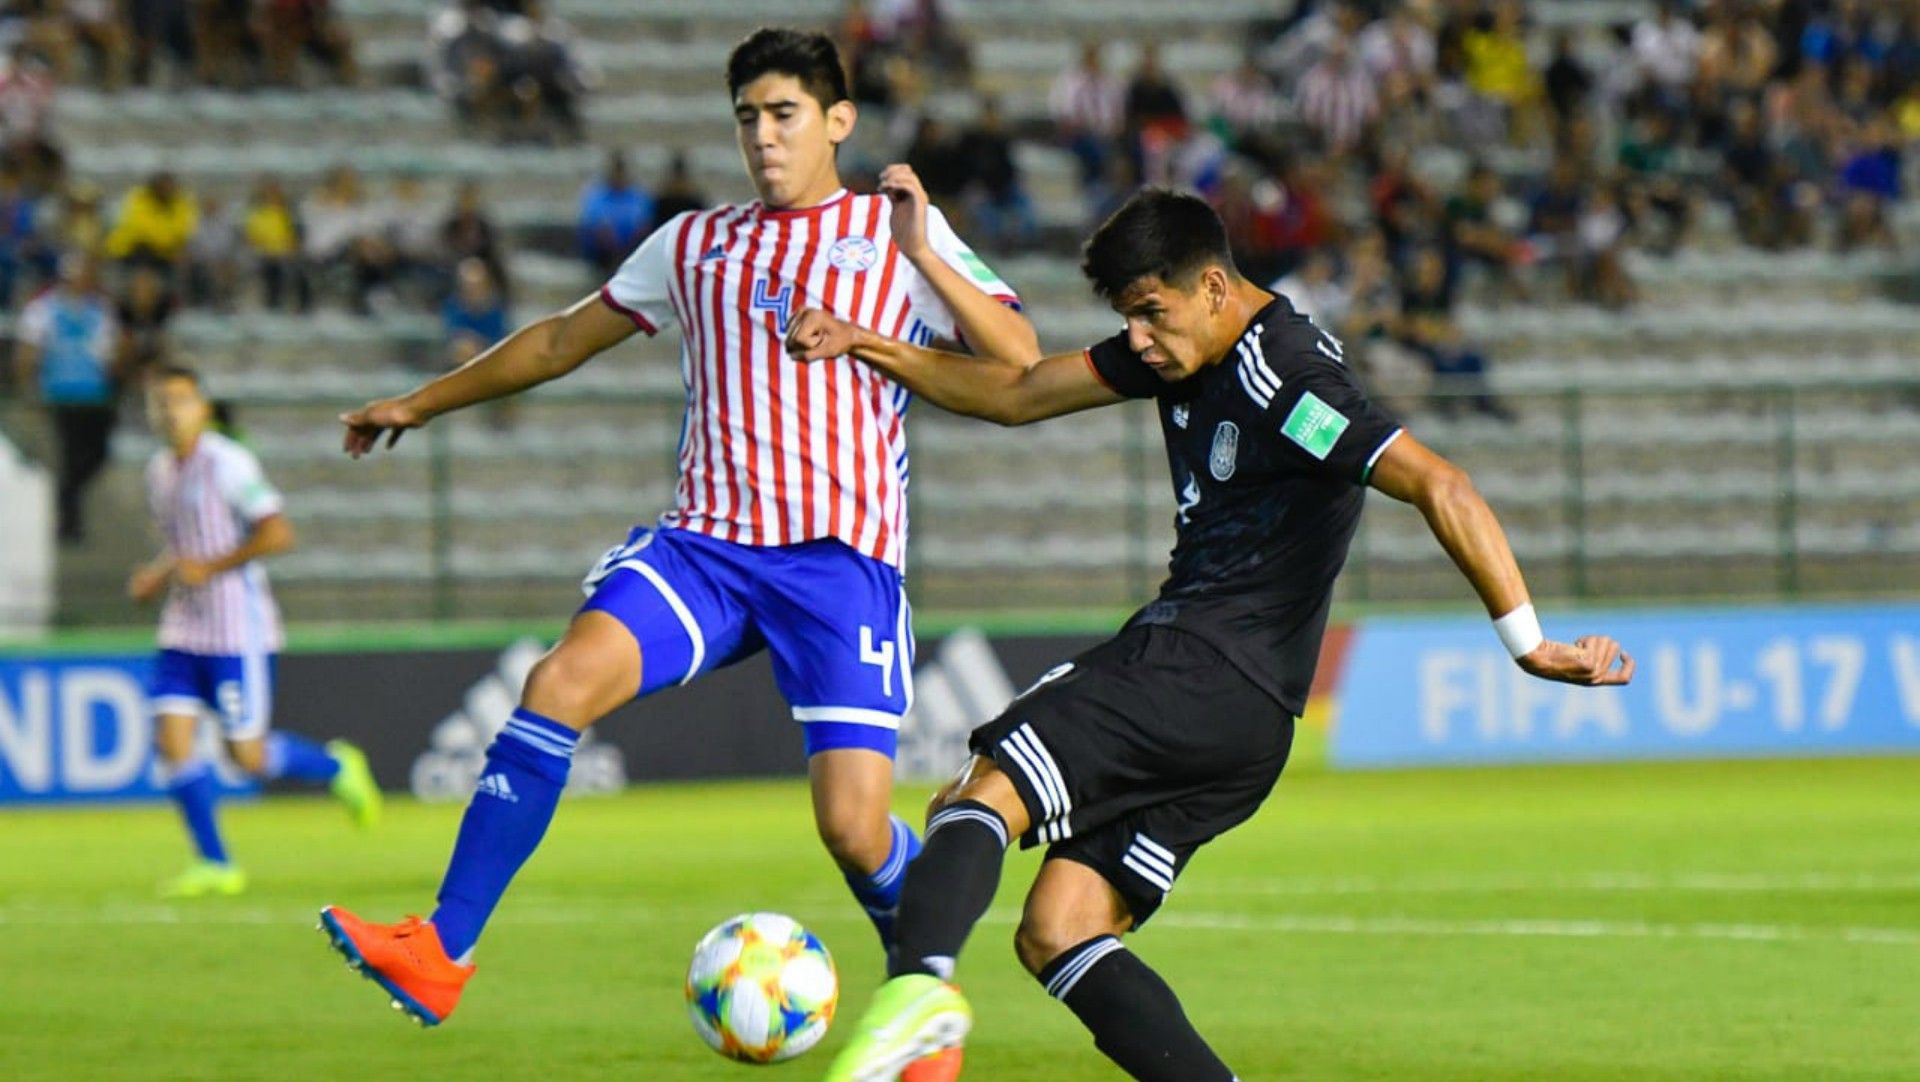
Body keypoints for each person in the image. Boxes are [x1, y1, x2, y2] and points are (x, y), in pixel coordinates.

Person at [784, 189, 1634, 1081]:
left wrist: (1529, 643)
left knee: (980, 790)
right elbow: (1021, 394)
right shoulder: (1181, 349)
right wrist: (867, 344)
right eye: (1128, 319)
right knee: (1060, 928)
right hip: (1248, 724)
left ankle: (918, 988)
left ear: (1216, 287)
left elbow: (1442, 484)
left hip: (1198, 664)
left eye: (1151, 315)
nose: (1140, 339)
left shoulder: (1291, 379)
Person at [317, 30, 1036, 1054]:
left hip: (839, 565)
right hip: (705, 548)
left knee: (853, 826)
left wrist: (925, 251)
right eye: (747, 116)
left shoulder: (893, 234)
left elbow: (1016, 356)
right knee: (559, 682)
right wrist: (422, 403)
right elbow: (563, 338)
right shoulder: (695, 243)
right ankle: (441, 948)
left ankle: (922, 1009)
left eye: (784, 113)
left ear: (839, 121)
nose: (763, 135)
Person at [129, 366, 381, 898]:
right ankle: (216, 863)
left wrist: (212, 568)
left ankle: (336, 766)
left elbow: (277, 532)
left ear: (203, 407)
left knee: (247, 757)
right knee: (171, 741)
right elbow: (184, 544)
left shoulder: (228, 462)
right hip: (183, 627)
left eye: (178, 399)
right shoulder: (158, 471)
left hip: (235, 631)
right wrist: (159, 573)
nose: (168, 411)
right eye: (159, 402)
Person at [14, 255, 119, 543]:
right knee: (71, 457)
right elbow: (28, 352)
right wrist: (30, 389)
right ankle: (70, 522)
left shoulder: (99, 310)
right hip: (60, 395)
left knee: (96, 454)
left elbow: (110, 353)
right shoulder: (43, 310)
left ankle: (68, 504)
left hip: (94, 395)